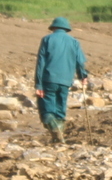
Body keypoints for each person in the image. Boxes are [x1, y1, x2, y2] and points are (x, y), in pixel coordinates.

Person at [32, 17, 90, 145]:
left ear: (53, 28)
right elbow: (80, 62)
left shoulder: (47, 39)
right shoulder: (74, 42)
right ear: (66, 29)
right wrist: (83, 76)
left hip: (49, 79)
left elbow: (41, 63)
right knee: (60, 110)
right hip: (65, 81)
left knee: (47, 110)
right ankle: (58, 138)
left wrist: (38, 84)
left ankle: (56, 131)